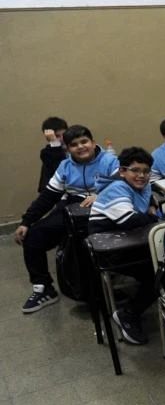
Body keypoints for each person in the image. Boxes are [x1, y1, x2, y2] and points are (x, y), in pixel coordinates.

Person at [14, 124, 119, 313]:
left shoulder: (110, 161)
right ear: (68, 149)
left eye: (84, 142)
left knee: (85, 246)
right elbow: (48, 196)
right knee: (33, 237)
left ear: (93, 142)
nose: (80, 147)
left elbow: (125, 187)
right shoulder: (65, 166)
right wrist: (26, 222)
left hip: (105, 208)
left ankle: (104, 286)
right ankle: (43, 288)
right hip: (74, 208)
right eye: (74, 145)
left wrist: (102, 196)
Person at [88, 147, 159, 344]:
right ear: (122, 172)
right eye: (135, 170)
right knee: (160, 273)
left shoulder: (143, 186)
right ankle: (128, 313)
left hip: (133, 243)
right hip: (111, 250)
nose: (141, 175)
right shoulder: (116, 189)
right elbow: (130, 220)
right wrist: (152, 216)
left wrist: (152, 209)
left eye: (146, 171)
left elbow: (149, 200)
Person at [38, 116, 68, 193]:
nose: (62, 139)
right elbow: (61, 170)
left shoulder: (77, 149)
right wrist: (55, 143)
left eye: (64, 134)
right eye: (57, 136)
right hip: (56, 194)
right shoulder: (48, 153)